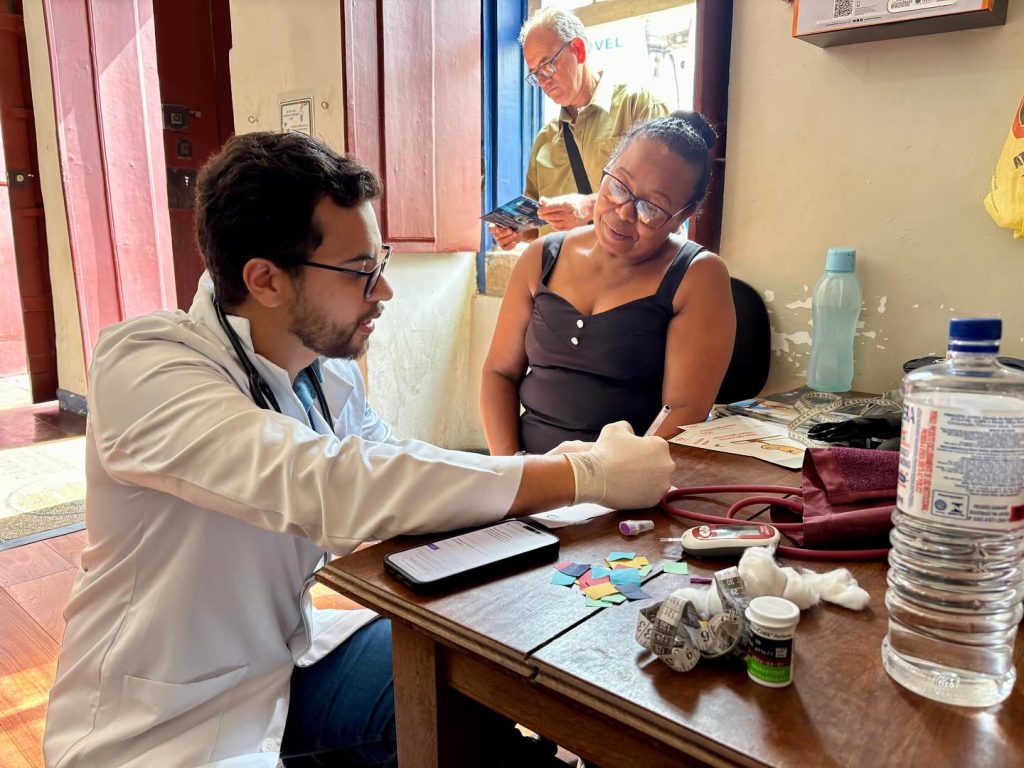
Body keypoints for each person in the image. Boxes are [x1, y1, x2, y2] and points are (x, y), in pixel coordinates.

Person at [42, 131, 674, 768]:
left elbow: (396, 470)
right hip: (159, 723)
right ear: (265, 280)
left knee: (469, 694)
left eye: (382, 262)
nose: (385, 291)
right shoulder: (145, 367)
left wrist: (553, 481)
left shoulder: (325, 370)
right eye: (360, 271)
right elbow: (334, 484)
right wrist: (582, 473)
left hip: (282, 666)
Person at [481, 111, 736, 456]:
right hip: (525, 467)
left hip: (626, 476)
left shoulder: (697, 276)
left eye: (651, 208)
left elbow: (682, 410)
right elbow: (499, 372)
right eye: (618, 187)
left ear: (683, 216)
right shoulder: (542, 256)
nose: (624, 213)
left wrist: (598, 479)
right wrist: (511, 469)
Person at [488, 7, 668, 251]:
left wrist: (590, 206)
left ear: (578, 50)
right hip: (567, 270)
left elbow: (663, 194)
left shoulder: (638, 107)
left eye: (547, 65)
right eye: (535, 75)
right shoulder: (545, 140)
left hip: (632, 266)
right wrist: (516, 231)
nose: (543, 82)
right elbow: (538, 223)